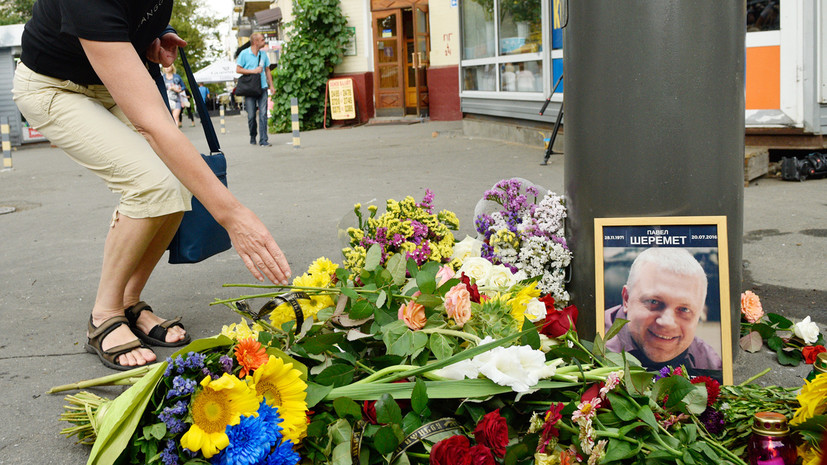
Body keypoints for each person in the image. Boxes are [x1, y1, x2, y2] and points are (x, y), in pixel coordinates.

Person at [12, 0, 291, 371]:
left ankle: (129, 299)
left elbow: (125, 22)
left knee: (176, 184)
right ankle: (104, 314)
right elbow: (154, 126)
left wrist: (153, 38)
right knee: (151, 183)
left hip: (108, 84)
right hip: (54, 87)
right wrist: (232, 215)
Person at [604, 247, 722, 375]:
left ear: (699, 314)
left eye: (684, 309)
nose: (667, 322)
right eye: (653, 302)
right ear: (626, 299)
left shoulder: (709, 363)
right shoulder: (592, 343)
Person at [235, 33, 274, 147]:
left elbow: (267, 70)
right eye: (262, 40)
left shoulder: (263, 55)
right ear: (255, 42)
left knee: (263, 115)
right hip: (250, 89)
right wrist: (253, 71)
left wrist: (271, 85)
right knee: (251, 116)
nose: (264, 41)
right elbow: (238, 69)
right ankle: (253, 135)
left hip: (262, 87)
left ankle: (263, 140)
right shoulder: (244, 54)